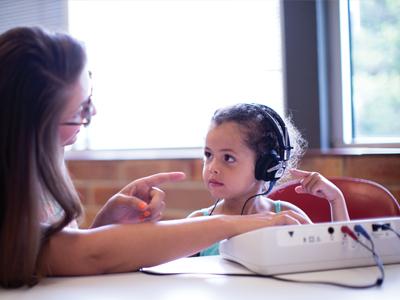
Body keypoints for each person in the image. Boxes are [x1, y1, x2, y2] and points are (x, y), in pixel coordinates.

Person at [0, 27, 311, 289]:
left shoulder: (30, 171)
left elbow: (58, 256)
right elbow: (84, 255)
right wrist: (230, 224)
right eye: (81, 109)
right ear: (33, 121)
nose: (91, 113)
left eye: (90, 97)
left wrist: (104, 224)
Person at [188, 103, 350, 256]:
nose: (212, 167)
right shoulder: (197, 224)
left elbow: (336, 258)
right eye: (208, 155)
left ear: (266, 166)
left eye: (228, 158)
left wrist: (336, 199)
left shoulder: (288, 217)